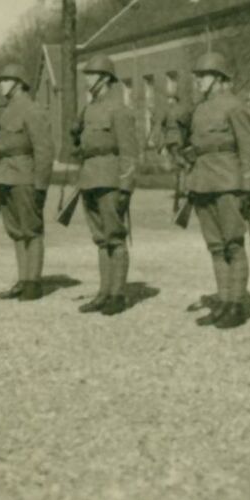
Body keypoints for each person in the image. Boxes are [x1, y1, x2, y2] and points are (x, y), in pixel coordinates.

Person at [185, 51, 250, 329]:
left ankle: (236, 305)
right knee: (216, 247)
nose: (198, 81)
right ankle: (223, 302)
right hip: (203, 182)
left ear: (218, 78)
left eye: (203, 75)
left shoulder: (234, 106)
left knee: (233, 244)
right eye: (197, 76)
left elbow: (249, 149)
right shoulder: (200, 110)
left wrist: (249, 189)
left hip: (229, 182)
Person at [71, 53, 138, 315]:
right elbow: (84, 147)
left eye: (91, 75)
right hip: (90, 178)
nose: (86, 79)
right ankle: (104, 292)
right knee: (100, 239)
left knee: (115, 238)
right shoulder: (88, 110)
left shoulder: (119, 110)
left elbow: (129, 152)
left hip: (110, 179)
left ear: (104, 78)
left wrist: (126, 186)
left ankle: (117, 294)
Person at [0, 63, 54, 301]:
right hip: (7, 177)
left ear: (19, 83)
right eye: (1, 80)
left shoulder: (32, 110)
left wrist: (41, 185)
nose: (1, 84)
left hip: (26, 177)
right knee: (16, 231)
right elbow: (0, 150)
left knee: (31, 230)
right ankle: (23, 280)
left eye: (6, 80)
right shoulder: (6, 111)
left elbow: (44, 151)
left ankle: (33, 283)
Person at [158, 77, 190, 211]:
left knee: (179, 165)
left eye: (170, 99)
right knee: (180, 165)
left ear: (175, 99)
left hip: (174, 140)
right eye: (169, 99)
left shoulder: (172, 110)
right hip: (177, 140)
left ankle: (181, 187)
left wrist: (162, 144)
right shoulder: (178, 110)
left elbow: (162, 125)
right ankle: (182, 187)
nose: (169, 101)